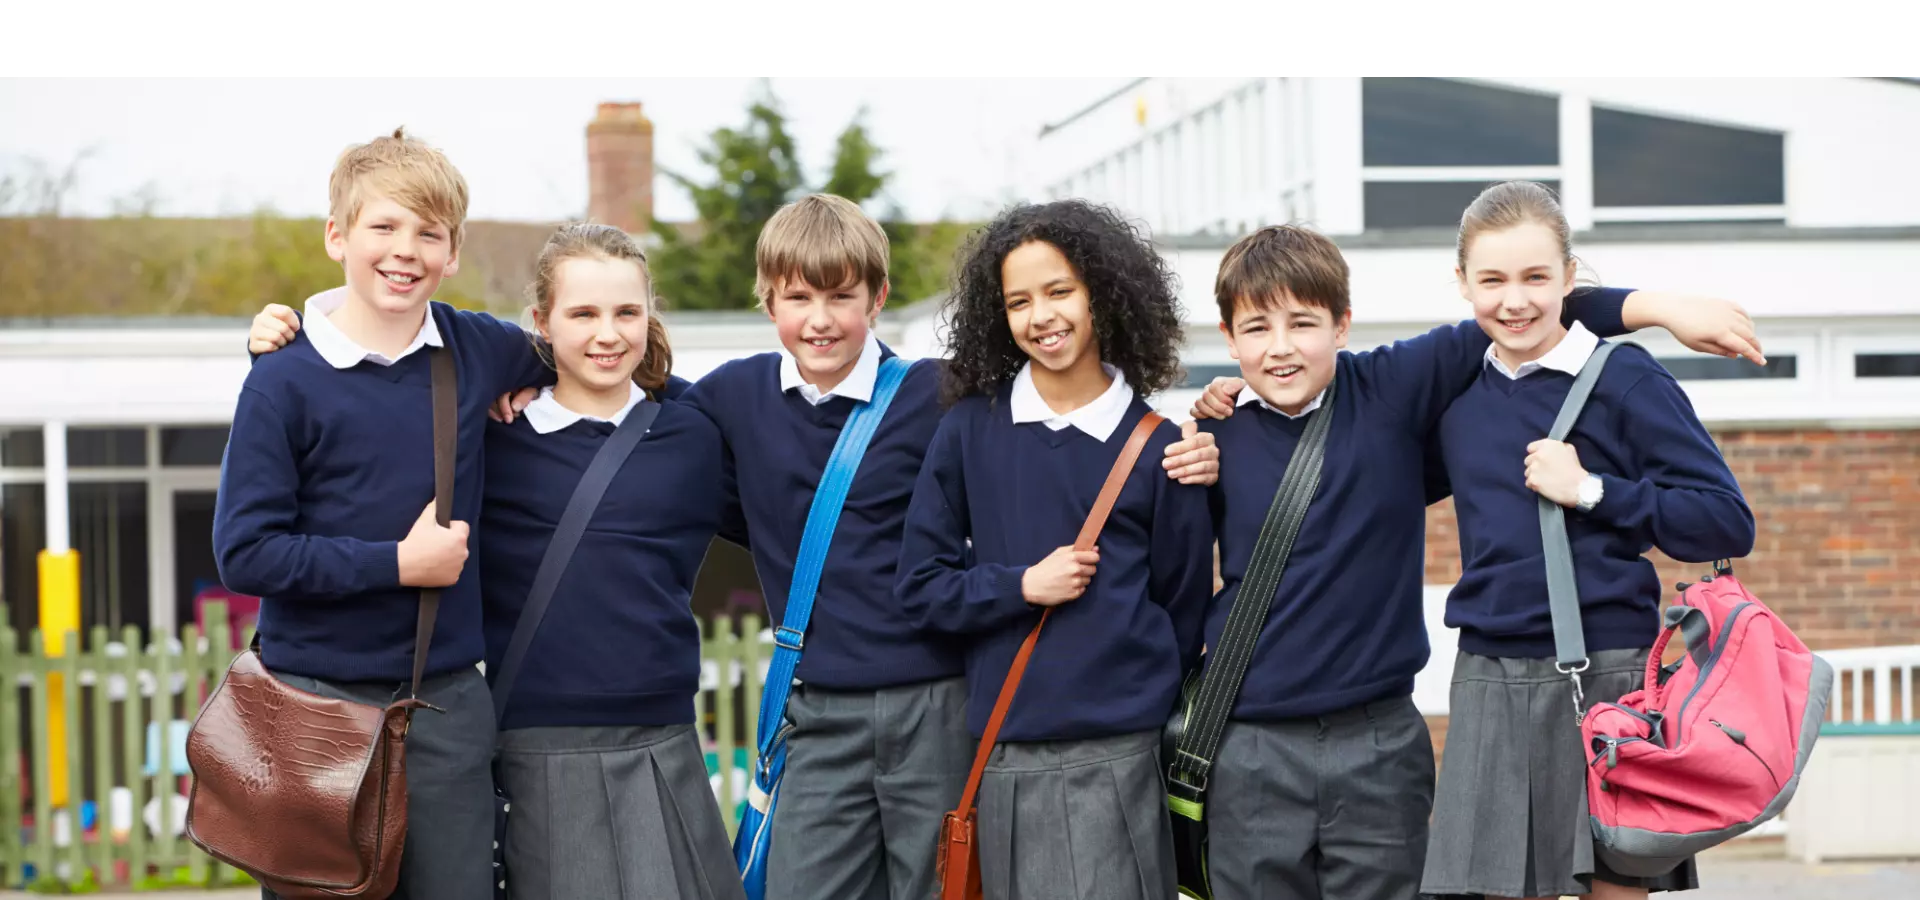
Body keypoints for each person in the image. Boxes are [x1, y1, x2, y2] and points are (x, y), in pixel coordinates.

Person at [1181, 221, 1762, 900]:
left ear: (1342, 325)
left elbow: (1519, 308)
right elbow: (1176, 593)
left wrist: (1658, 311)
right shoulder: (1209, 438)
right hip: (1254, 740)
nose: (1281, 348)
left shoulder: (1392, 388)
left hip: (1386, 733)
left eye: (1302, 323)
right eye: (1256, 329)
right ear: (1227, 338)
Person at [214, 126, 555, 900]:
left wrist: (530, 384)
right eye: (384, 227)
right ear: (337, 236)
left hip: (443, 704)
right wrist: (399, 564)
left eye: (429, 233)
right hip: (314, 711)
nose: (406, 250)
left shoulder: (477, 349)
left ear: (454, 251)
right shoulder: (282, 378)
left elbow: (579, 354)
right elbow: (247, 553)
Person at [895, 199, 1215, 900]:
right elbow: (920, 588)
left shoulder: (1165, 448)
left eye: (1060, 291)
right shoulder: (968, 432)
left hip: (1125, 756)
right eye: (1019, 301)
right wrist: (1019, 587)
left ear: (1104, 292)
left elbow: (1183, 609)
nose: (1042, 316)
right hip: (1005, 754)